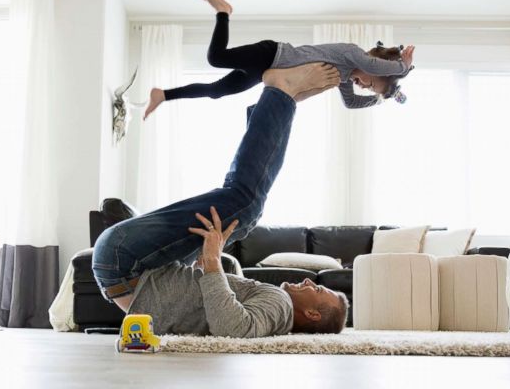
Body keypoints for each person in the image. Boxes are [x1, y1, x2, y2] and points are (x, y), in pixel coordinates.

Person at [93, 63, 349, 338]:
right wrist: (204, 265)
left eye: (319, 290)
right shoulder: (277, 310)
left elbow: (233, 328)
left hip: (125, 263)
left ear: (313, 314)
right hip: (130, 268)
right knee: (243, 220)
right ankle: (280, 101)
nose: (311, 281)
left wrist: (214, 261)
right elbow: (198, 306)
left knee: (246, 204)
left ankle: (280, 96)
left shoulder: (281, 305)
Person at [143, 0, 415, 120]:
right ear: (377, 64)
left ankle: (163, 95)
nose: (364, 85)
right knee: (216, 58)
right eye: (371, 81)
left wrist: (380, 101)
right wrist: (402, 68)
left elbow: (351, 104)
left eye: (370, 89)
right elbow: (376, 68)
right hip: (271, 53)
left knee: (216, 91)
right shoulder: (351, 54)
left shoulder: (342, 77)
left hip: (263, 72)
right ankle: (223, 11)